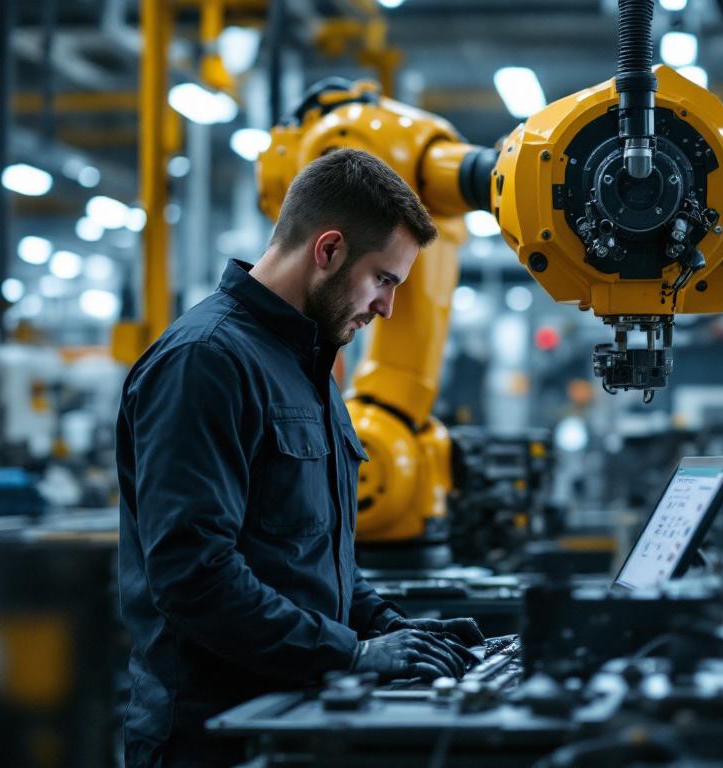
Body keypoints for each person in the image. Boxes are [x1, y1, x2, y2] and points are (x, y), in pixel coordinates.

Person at [117, 149, 485, 766]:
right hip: (214, 738)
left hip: (294, 719)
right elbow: (194, 576)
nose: (387, 307)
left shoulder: (307, 365)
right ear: (329, 250)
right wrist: (351, 654)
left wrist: (389, 627)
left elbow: (312, 553)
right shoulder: (205, 362)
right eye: (384, 279)